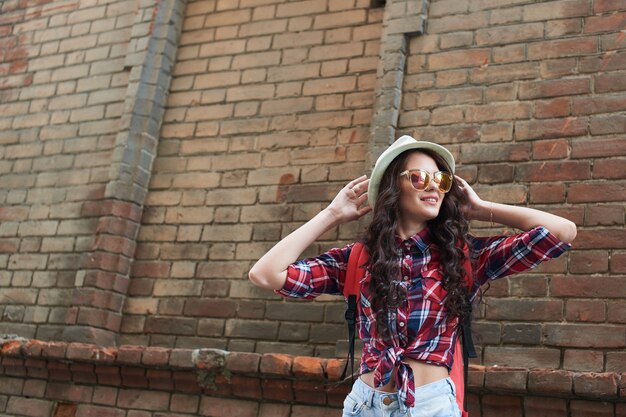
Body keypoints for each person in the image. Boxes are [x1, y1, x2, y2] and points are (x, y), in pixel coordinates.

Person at [249, 135, 576, 417]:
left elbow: (562, 233)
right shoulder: (358, 258)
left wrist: (481, 208)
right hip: (367, 403)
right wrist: (331, 215)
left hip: (430, 405)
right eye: (419, 177)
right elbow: (265, 274)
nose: (434, 185)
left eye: (441, 180)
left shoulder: (463, 256)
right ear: (393, 186)